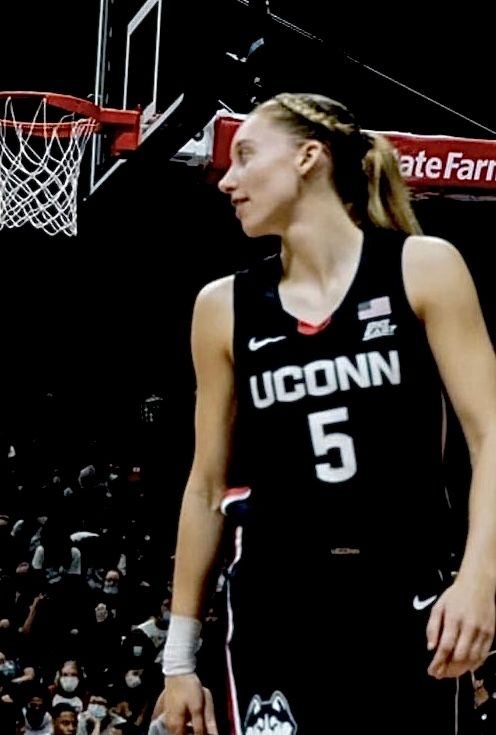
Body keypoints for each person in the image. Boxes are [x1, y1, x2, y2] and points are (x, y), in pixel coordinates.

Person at [158, 91, 496, 734]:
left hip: (407, 592)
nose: (226, 177)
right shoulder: (222, 306)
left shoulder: (423, 268)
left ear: (309, 157)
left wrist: (481, 576)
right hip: (272, 602)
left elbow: (492, 434)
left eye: (246, 156)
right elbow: (206, 487)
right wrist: (178, 660)